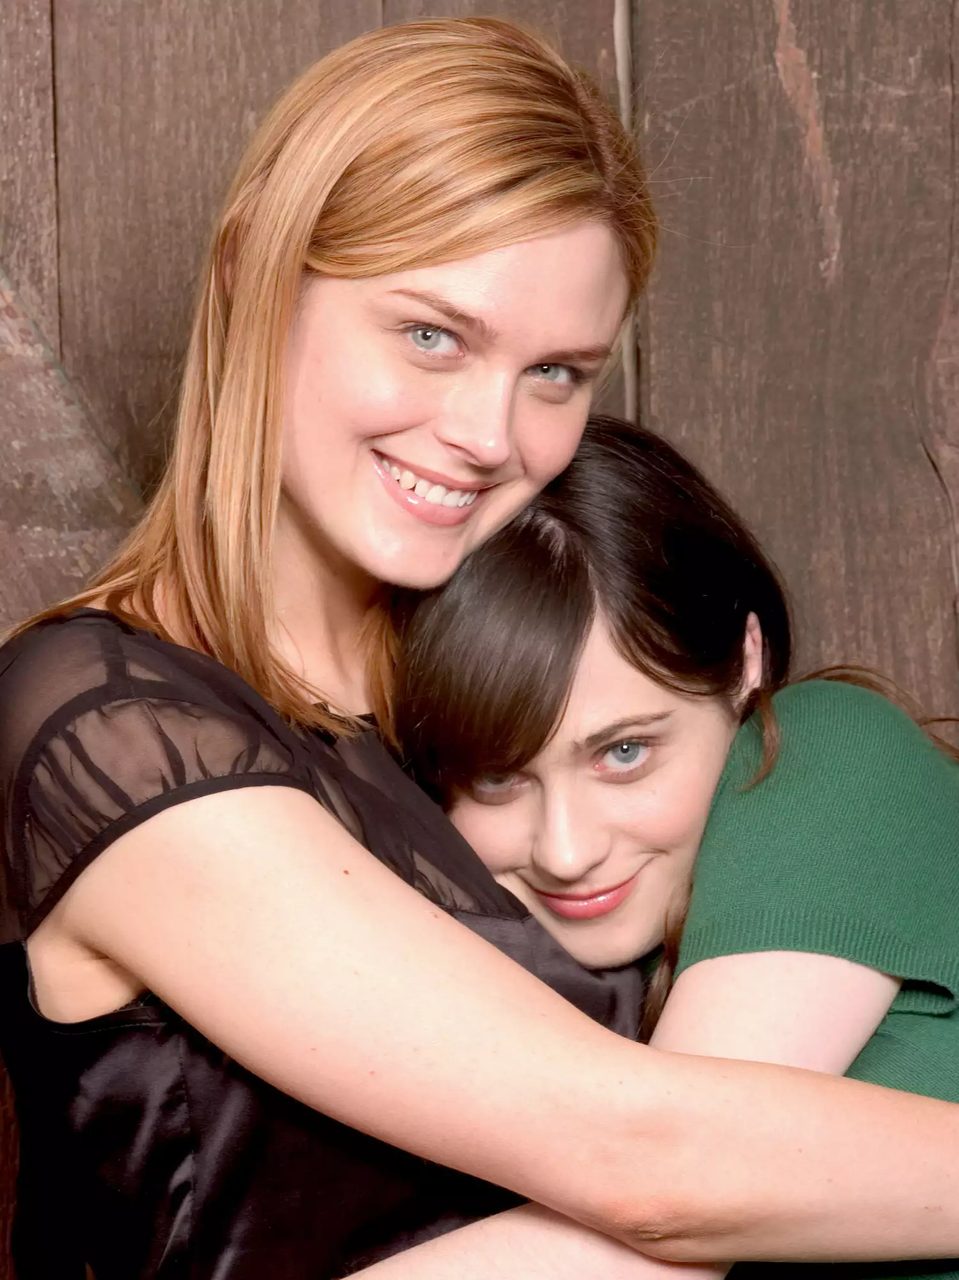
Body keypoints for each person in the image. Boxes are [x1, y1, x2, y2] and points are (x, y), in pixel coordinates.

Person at [0, 15, 958, 1280]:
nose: (489, 434)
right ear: (249, 283)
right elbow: (648, 1166)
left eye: (554, 372)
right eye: (431, 335)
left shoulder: (474, 707)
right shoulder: (103, 722)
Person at [389, 413, 959, 1280]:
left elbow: (670, 1189)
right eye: (499, 778)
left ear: (743, 662)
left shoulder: (824, 751)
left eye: (624, 752)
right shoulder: (544, 978)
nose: (566, 851)